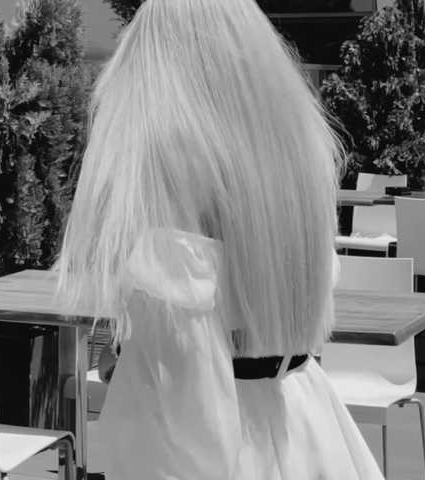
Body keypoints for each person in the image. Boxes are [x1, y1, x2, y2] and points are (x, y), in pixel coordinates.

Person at [57, 0, 384, 478]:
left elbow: (186, 376)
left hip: (219, 440)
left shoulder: (172, 156)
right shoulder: (298, 145)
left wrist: (127, 357)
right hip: (305, 415)